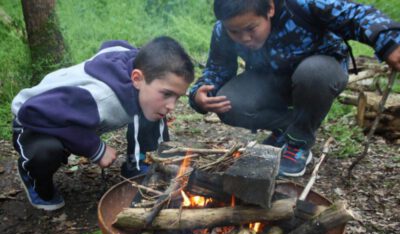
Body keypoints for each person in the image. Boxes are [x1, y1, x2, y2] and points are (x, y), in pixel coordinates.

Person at [189, 0, 400, 177]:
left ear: (269, 8)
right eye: (235, 31)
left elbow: (356, 14)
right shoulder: (223, 31)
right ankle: (287, 128)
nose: (244, 38)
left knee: (313, 72)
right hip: (270, 81)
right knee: (227, 101)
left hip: (319, 75)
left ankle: (299, 141)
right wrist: (199, 94)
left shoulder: (301, 5)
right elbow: (217, 70)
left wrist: (389, 42)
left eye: (251, 29)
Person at [11, 36, 194, 211]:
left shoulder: (137, 64)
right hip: (35, 119)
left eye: (177, 97)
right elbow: (32, 111)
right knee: (46, 151)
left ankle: (138, 162)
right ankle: (33, 176)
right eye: (167, 94)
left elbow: (113, 45)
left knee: (152, 106)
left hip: (70, 111)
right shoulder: (101, 98)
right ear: (136, 78)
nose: (172, 106)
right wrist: (95, 148)